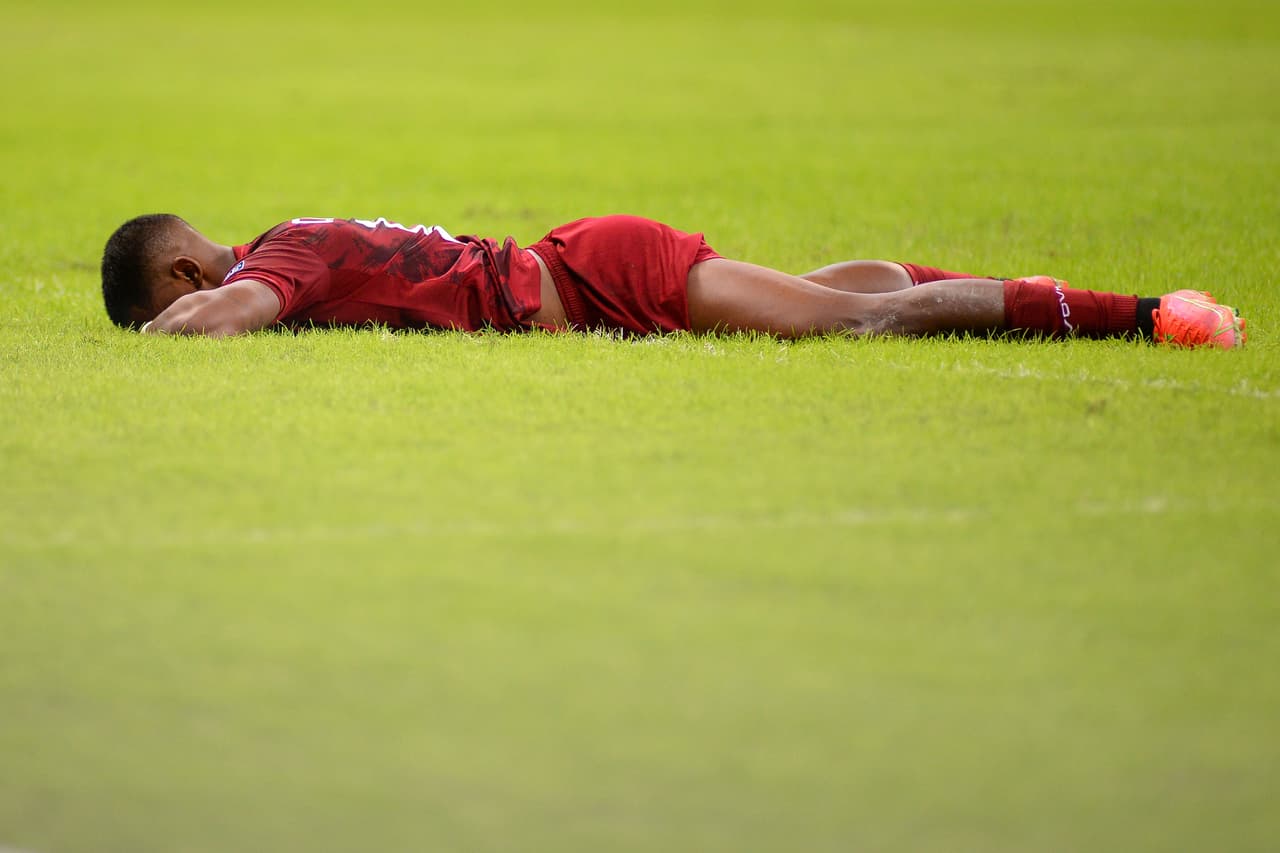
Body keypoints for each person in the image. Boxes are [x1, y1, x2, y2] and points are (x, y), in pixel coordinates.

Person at [100, 213, 1246, 348]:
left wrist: (161, 337)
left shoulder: (270, 262)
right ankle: (920, 276)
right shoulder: (294, 239)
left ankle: (1141, 316)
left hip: (599, 272)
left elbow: (221, 320)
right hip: (584, 279)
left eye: (174, 295)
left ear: (189, 269)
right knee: (841, 288)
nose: (194, 303)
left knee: (854, 323)